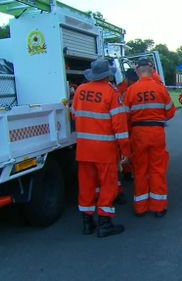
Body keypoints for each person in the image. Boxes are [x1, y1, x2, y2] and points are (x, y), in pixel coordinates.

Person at [72, 59, 129, 237]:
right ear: (108, 75)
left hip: (83, 148)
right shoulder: (111, 92)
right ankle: (105, 223)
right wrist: (125, 151)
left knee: (86, 185)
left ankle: (87, 223)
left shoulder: (80, 90)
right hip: (104, 149)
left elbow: (74, 115)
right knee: (108, 184)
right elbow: (119, 124)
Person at [123, 58, 176, 217]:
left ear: (138, 71)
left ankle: (140, 207)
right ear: (151, 70)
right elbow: (171, 111)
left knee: (140, 170)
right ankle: (158, 207)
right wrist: (159, 120)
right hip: (156, 132)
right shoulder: (160, 89)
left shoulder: (130, 91)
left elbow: (124, 116)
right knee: (157, 169)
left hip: (138, 133)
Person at [117, 69, 139, 182]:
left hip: (131, 123)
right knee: (125, 148)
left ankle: (131, 171)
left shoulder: (131, 87)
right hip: (124, 122)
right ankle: (127, 171)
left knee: (132, 148)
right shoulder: (120, 89)